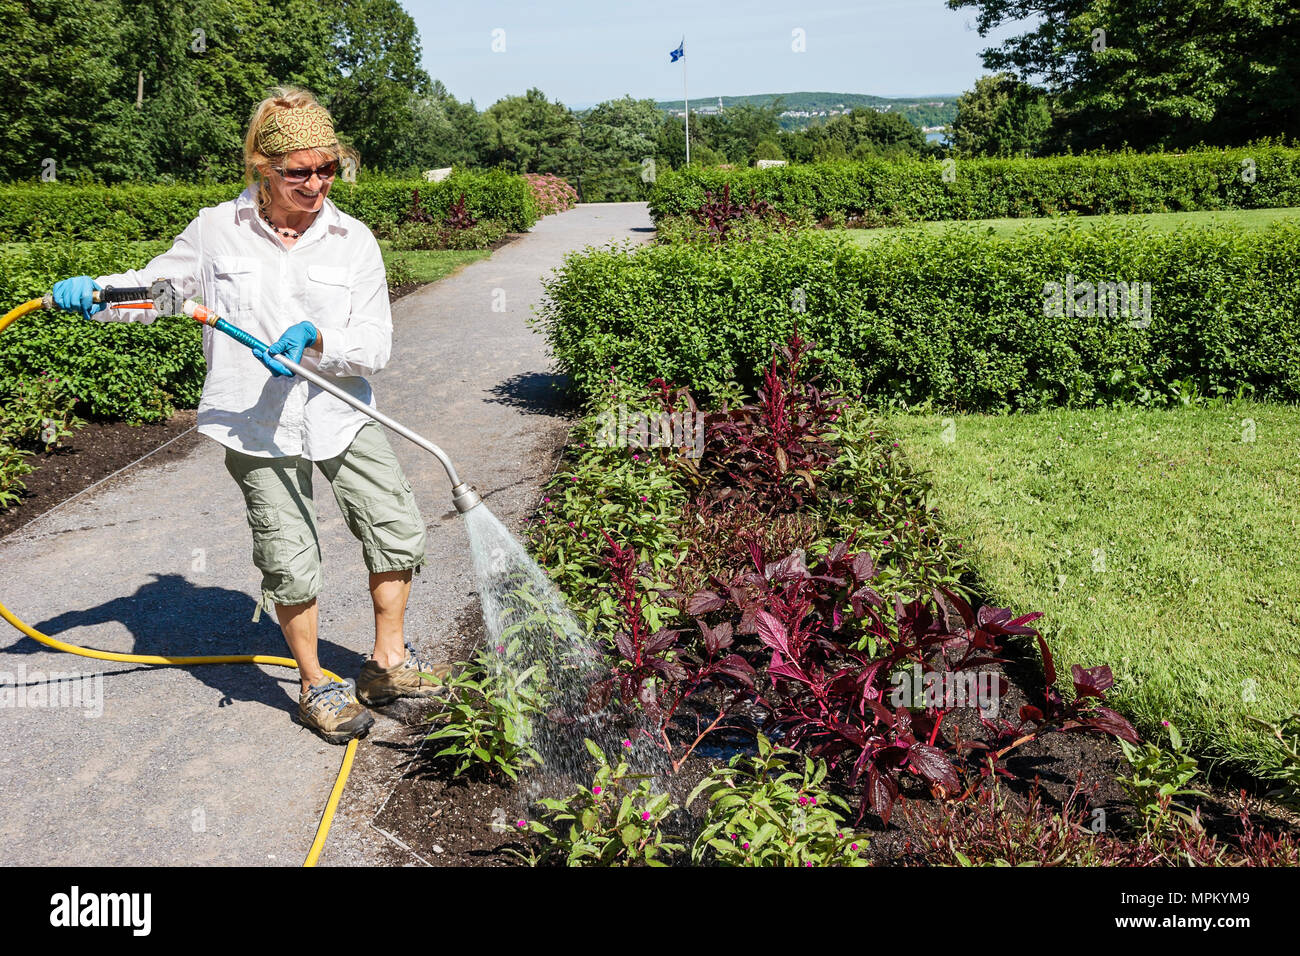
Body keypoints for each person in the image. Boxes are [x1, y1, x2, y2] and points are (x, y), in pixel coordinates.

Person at [51, 86, 447, 745]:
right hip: (254, 423)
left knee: (396, 528)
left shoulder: (354, 241)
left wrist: (318, 338)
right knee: (290, 557)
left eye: (326, 168)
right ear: (262, 167)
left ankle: (387, 664)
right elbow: (161, 293)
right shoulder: (215, 230)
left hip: (340, 408)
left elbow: (375, 344)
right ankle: (317, 684)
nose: (316, 184)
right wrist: (96, 294)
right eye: (298, 171)